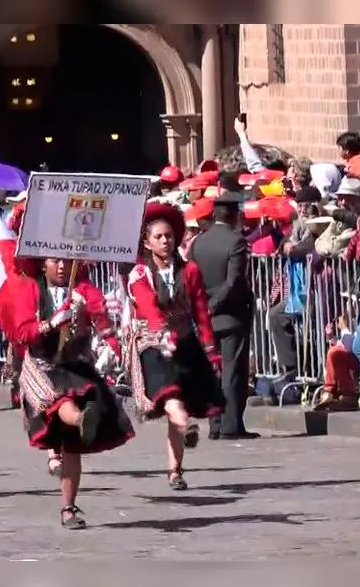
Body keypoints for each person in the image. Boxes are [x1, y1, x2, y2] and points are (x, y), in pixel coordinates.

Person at [12, 258, 133, 528]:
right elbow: (22, 331)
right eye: (55, 261)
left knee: (71, 447)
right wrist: (49, 324)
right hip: (42, 367)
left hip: (75, 366)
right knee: (60, 401)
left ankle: (68, 507)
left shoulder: (84, 291)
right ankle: (80, 419)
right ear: (43, 264)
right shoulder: (30, 289)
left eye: (68, 261)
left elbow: (101, 321)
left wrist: (114, 346)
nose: (63, 267)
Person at [125, 202, 226, 490]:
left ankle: (175, 469)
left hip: (184, 341)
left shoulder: (190, 271)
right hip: (152, 345)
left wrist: (210, 349)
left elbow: (201, 311)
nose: (165, 241)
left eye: (169, 236)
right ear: (147, 242)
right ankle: (187, 424)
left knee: (180, 399)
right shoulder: (140, 275)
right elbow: (147, 305)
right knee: (171, 396)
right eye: (158, 237)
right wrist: (161, 332)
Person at [187, 183, 257, 440]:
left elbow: (190, 281)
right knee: (232, 370)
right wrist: (215, 305)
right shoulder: (236, 241)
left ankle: (215, 425)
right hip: (230, 314)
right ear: (233, 215)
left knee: (212, 372)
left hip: (205, 318)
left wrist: (202, 308)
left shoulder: (198, 243)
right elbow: (234, 280)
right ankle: (231, 425)